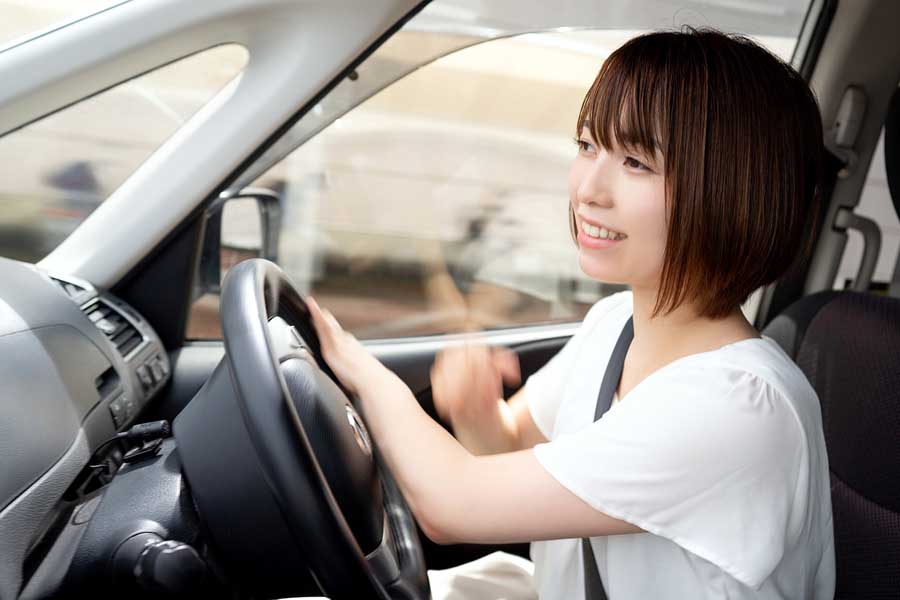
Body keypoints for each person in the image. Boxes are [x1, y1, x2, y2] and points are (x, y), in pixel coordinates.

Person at [306, 26, 835, 599]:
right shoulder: (615, 324)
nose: (588, 189)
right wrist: (477, 409)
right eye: (586, 146)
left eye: (635, 161)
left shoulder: (739, 408)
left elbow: (453, 504)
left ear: (729, 192)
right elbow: (509, 449)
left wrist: (358, 371)